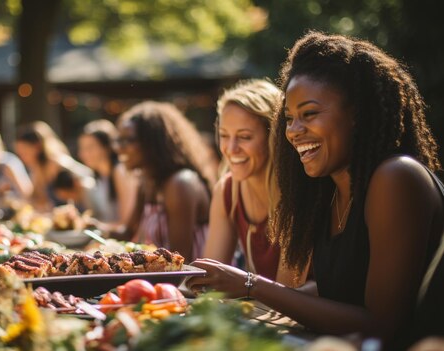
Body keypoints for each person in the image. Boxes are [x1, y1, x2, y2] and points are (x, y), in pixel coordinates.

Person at [187, 32, 444, 348]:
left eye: (309, 114)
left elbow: (380, 325)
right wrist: (248, 301)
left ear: (358, 113)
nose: (293, 131)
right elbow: (330, 294)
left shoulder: (397, 178)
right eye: (290, 118)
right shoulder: (327, 190)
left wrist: (252, 285)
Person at [202, 79, 305, 286]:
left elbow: (288, 294)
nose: (231, 149)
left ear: (274, 137)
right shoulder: (227, 190)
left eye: (245, 137)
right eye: (224, 135)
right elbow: (207, 279)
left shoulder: (296, 193)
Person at [115, 101, 217, 262]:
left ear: (154, 142)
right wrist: (89, 229)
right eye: (118, 140)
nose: (119, 147)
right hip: (163, 277)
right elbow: (126, 232)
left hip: (194, 283)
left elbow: (179, 260)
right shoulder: (147, 181)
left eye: (128, 140)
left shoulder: (180, 184)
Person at [14, 121, 93, 211]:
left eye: (24, 152)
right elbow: (35, 198)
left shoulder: (57, 163)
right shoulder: (38, 168)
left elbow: (87, 185)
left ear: (37, 147)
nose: (22, 157)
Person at [78, 119, 138, 223]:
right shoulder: (96, 178)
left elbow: (126, 224)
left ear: (107, 147)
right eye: (82, 148)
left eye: (90, 147)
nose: (83, 154)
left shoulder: (121, 172)